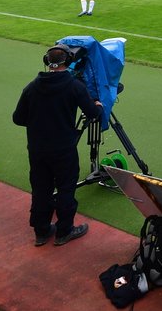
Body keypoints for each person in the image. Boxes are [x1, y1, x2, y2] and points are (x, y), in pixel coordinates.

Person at [13, 44, 102, 246]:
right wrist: (98, 105)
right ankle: (65, 231)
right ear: (68, 62)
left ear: (47, 62)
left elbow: (18, 118)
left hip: (37, 149)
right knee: (65, 188)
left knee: (41, 189)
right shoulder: (75, 87)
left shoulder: (32, 87)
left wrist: (39, 120)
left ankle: (41, 231)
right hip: (63, 149)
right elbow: (93, 113)